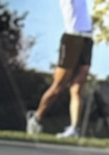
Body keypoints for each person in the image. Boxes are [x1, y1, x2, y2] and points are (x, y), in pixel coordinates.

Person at [26, 0, 95, 140]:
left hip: (87, 38)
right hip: (72, 37)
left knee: (77, 88)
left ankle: (74, 129)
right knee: (58, 86)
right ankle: (36, 118)